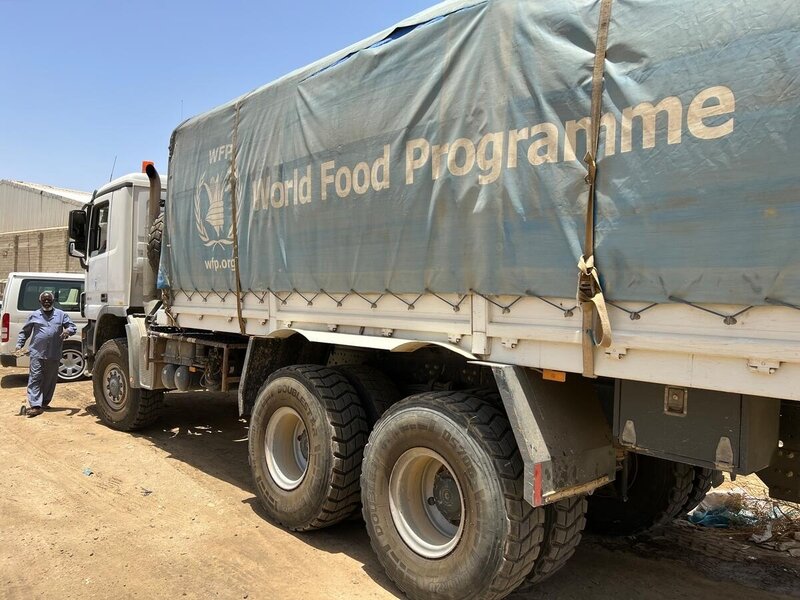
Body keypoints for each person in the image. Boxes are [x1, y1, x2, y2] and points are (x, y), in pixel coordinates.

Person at [16, 291, 77, 418]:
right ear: (40, 302)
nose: (47, 302)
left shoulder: (61, 315)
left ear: (53, 301)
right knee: (35, 378)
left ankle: (44, 403)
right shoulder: (34, 315)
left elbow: (72, 327)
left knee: (50, 379)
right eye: (44, 300)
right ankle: (35, 405)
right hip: (37, 352)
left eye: (49, 300)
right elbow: (25, 332)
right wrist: (19, 344)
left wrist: (67, 331)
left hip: (54, 353)